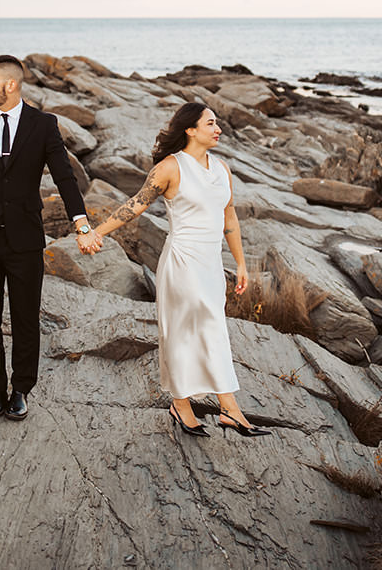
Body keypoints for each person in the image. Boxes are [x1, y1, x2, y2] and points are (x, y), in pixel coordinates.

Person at [85, 102, 271, 436]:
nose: (218, 129)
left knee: (191, 331)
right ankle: (230, 409)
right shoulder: (170, 168)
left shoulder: (222, 168)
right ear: (190, 129)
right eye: (211, 123)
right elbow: (136, 205)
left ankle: (182, 405)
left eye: (217, 124)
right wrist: (97, 232)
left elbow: (229, 218)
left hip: (212, 262)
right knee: (200, 327)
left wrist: (240, 264)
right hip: (183, 260)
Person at [0, 54, 92, 422]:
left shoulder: (43, 125)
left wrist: (80, 221)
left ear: (10, 84)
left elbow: (64, 176)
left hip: (25, 236)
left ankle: (21, 389)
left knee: (26, 316)